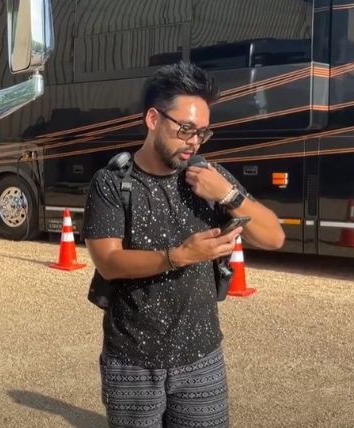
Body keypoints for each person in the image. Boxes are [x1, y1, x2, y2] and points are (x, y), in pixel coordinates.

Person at [82, 62, 284, 427]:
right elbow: (108, 261)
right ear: (153, 119)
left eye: (203, 133)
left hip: (201, 358)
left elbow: (274, 236)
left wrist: (229, 194)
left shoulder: (208, 178)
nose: (193, 140)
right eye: (186, 128)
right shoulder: (112, 184)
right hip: (132, 361)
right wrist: (181, 256)